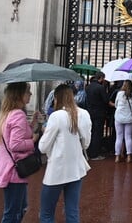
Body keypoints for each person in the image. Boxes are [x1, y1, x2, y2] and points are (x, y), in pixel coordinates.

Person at [39, 84, 92, 223]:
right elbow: (86, 144)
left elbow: (42, 147)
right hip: (76, 168)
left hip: (57, 169)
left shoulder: (57, 116)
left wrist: (44, 132)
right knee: (72, 211)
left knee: (46, 213)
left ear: (57, 98)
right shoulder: (84, 114)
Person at [0, 82, 39, 223]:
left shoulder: (9, 113)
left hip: (10, 168)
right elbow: (15, 144)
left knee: (20, 208)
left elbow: (18, 133)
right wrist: (34, 140)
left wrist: (32, 122)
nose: (30, 95)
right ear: (20, 95)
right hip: (14, 171)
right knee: (13, 213)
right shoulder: (18, 114)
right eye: (28, 92)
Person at [111, 80, 132, 163]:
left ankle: (117, 157)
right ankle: (129, 156)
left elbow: (116, 104)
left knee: (119, 137)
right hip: (129, 117)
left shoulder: (119, 94)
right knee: (128, 137)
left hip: (119, 117)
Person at [85, 72, 109, 160]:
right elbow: (106, 100)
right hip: (99, 113)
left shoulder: (88, 87)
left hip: (90, 112)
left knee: (90, 132)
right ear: (101, 78)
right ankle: (94, 154)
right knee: (97, 133)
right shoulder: (101, 87)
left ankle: (89, 151)